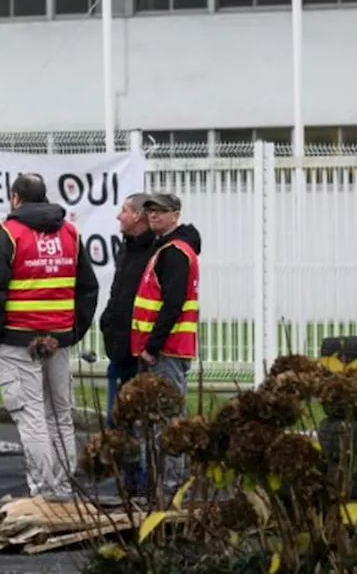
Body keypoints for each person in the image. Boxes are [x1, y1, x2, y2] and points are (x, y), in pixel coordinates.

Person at [0, 173, 100, 502]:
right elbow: (87, 287)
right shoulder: (70, 233)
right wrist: (72, 332)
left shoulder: (8, 234)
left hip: (18, 341)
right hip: (57, 341)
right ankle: (63, 487)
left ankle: (45, 491)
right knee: (60, 414)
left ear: (15, 198)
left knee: (31, 416)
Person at [129, 192, 202, 496]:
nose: (154, 217)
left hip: (166, 351)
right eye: (150, 212)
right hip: (164, 349)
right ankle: (170, 485)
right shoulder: (168, 249)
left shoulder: (174, 252)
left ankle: (172, 489)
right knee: (164, 420)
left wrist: (152, 346)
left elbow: (172, 303)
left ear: (175, 214)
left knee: (169, 421)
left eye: (160, 211)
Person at [99, 193, 158, 423]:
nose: (118, 216)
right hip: (119, 345)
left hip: (141, 349)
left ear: (138, 216)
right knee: (116, 421)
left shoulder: (155, 250)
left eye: (124, 211)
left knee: (140, 422)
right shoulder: (126, 248)